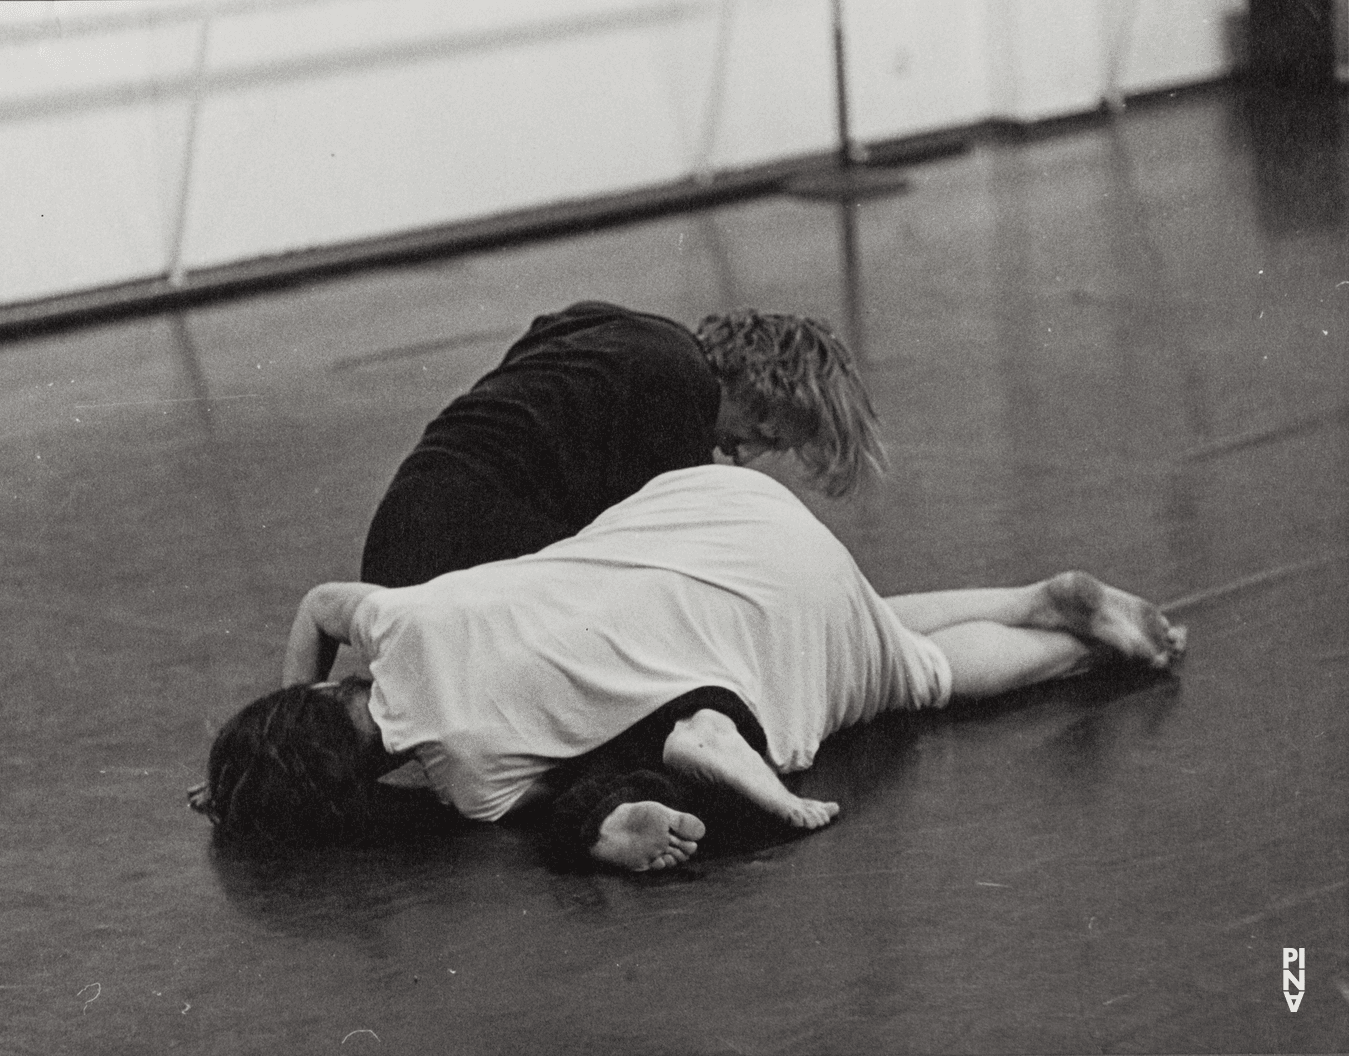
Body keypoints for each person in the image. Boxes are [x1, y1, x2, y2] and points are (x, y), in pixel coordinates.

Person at [190, 465, 1186, 871]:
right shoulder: (393, 615)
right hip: (718, 516)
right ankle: (1035, 597)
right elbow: (319, 609)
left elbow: (577, 778)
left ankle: (1074, 646)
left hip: (750, 629)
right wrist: (289, 695)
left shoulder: (464, 782)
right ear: (322, 691)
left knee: (915, 676)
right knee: (860, 626)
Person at [356, 301, 884, 590]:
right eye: (762, 433)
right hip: (446, 566)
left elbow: (535, 343)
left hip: (400, 531)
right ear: (758, 383)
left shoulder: (621, 329)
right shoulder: (679, 391)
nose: (742, 453)